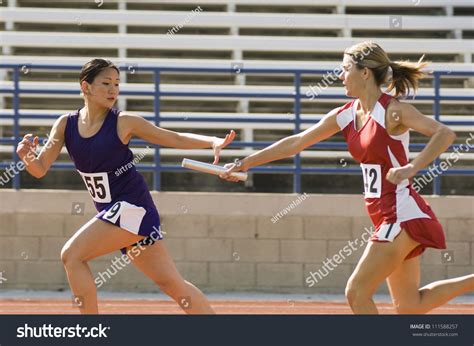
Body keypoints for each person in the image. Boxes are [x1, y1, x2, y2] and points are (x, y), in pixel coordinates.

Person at [221, 41, 474, 314]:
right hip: (384, 215)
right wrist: (245, 163)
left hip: (399, 214)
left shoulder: (393, 110)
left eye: (345, 69)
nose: (340, 76)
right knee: (410, 306)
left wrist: (412, 168)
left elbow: (445, 134)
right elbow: (296, 142)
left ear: (365, 72)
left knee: (356, 292)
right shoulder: (344, 115)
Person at [16, 58, 236, 314]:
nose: (113, 90)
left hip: (133, 208)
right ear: (85, 87)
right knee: (173, 285)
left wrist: (211, 142)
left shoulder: (124, 122)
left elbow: (170, 137)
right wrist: (26, 156)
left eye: (117, 84)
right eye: (106, 83)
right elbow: (40, 169)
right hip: (115, 214)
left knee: (72, 255)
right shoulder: (66, 124)